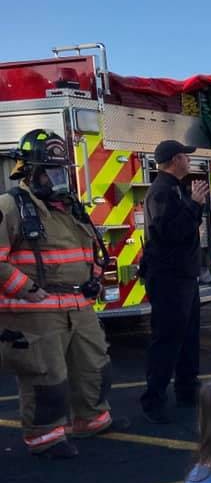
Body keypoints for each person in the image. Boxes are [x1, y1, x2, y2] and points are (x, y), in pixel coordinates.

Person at [0, 129, 118, 457]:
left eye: (60, 170)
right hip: (34, 311)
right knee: (46, 376)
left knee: (94, 365)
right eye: (49, 171)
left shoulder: (70, 207)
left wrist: (94, 278)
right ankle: (45, 437)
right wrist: (27, 289)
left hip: (78, 306)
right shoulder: (10, 206)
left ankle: (92, 420)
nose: (57, 178)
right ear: (30, 171)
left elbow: (91, 251)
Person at [139, 140, 206, 425]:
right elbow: (171, 232)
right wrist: (194, 204)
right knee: (167, 339)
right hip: (169, 279)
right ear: (173, 160)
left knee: (189, 337)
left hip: (184, 277)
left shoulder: (175, 188)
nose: (188, 161)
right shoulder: (161, 192)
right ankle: (153, 400)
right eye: (184, 157)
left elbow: (185, 226)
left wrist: (192, 204)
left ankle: (187, 391)